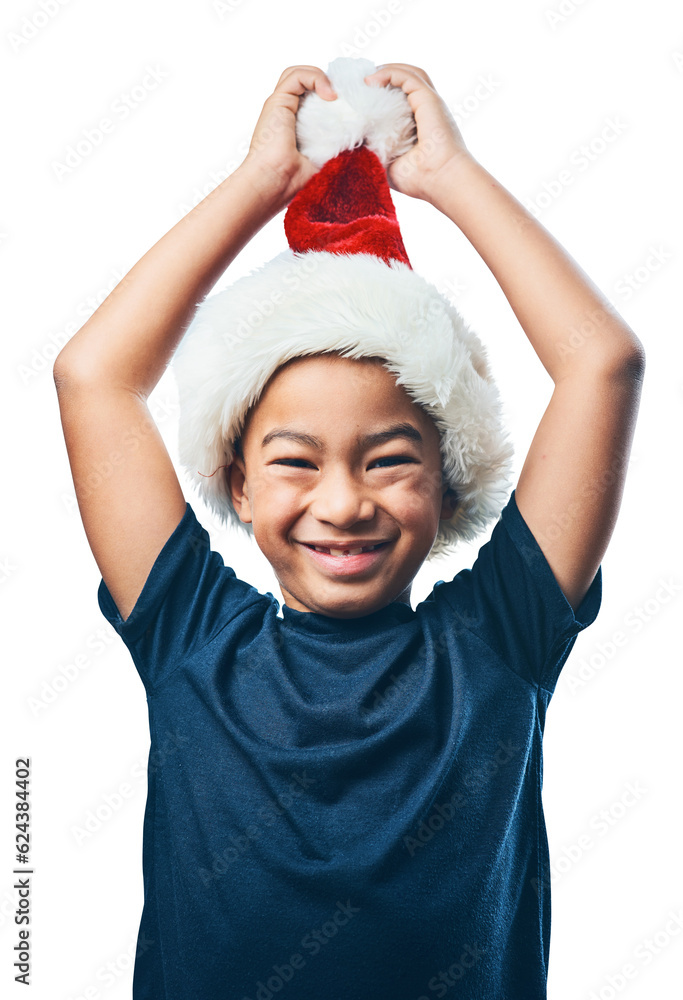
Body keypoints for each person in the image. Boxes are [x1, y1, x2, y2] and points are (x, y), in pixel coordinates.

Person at [53, 59, 645, 1000]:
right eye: (296, 460)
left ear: (449, 483)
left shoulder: (502, 638)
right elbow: (92, 377)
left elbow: (601, 365)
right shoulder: (188, 636)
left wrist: (447, 178)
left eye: (388, 459)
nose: (342, 503)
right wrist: (260, 185)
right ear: (235, 483)